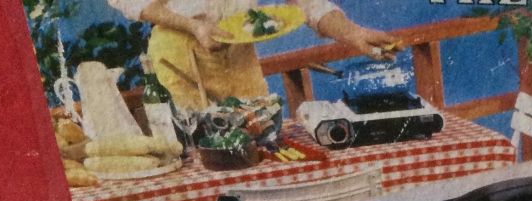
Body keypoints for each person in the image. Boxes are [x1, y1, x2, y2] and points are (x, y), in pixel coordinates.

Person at [108, 0, 394, 110]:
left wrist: (354, 33)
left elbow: (305, 3)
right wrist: (193, 26)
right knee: (203, 149)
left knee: (259, 137)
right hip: (180, 53)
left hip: (239, 54)